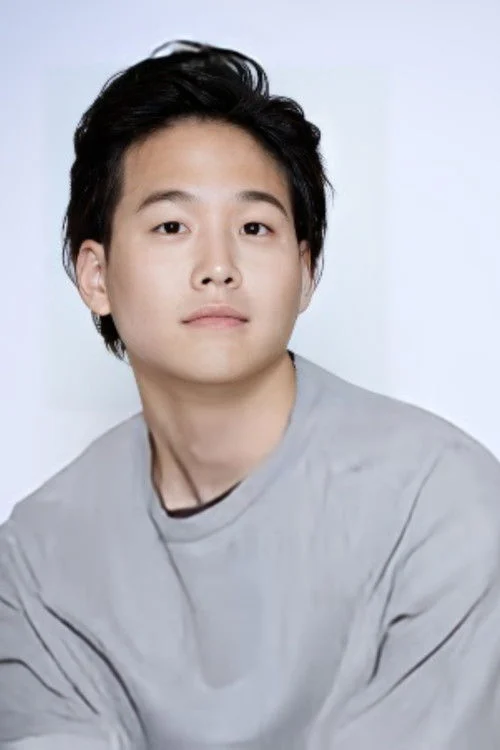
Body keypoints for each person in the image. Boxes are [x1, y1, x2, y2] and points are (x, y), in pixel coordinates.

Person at [1, 40, 499, 750]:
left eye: (255, 227)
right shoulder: (36, 558)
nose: (218, 267)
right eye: (172, 226)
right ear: (96, 276)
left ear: (305, 271)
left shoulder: (443, 504)